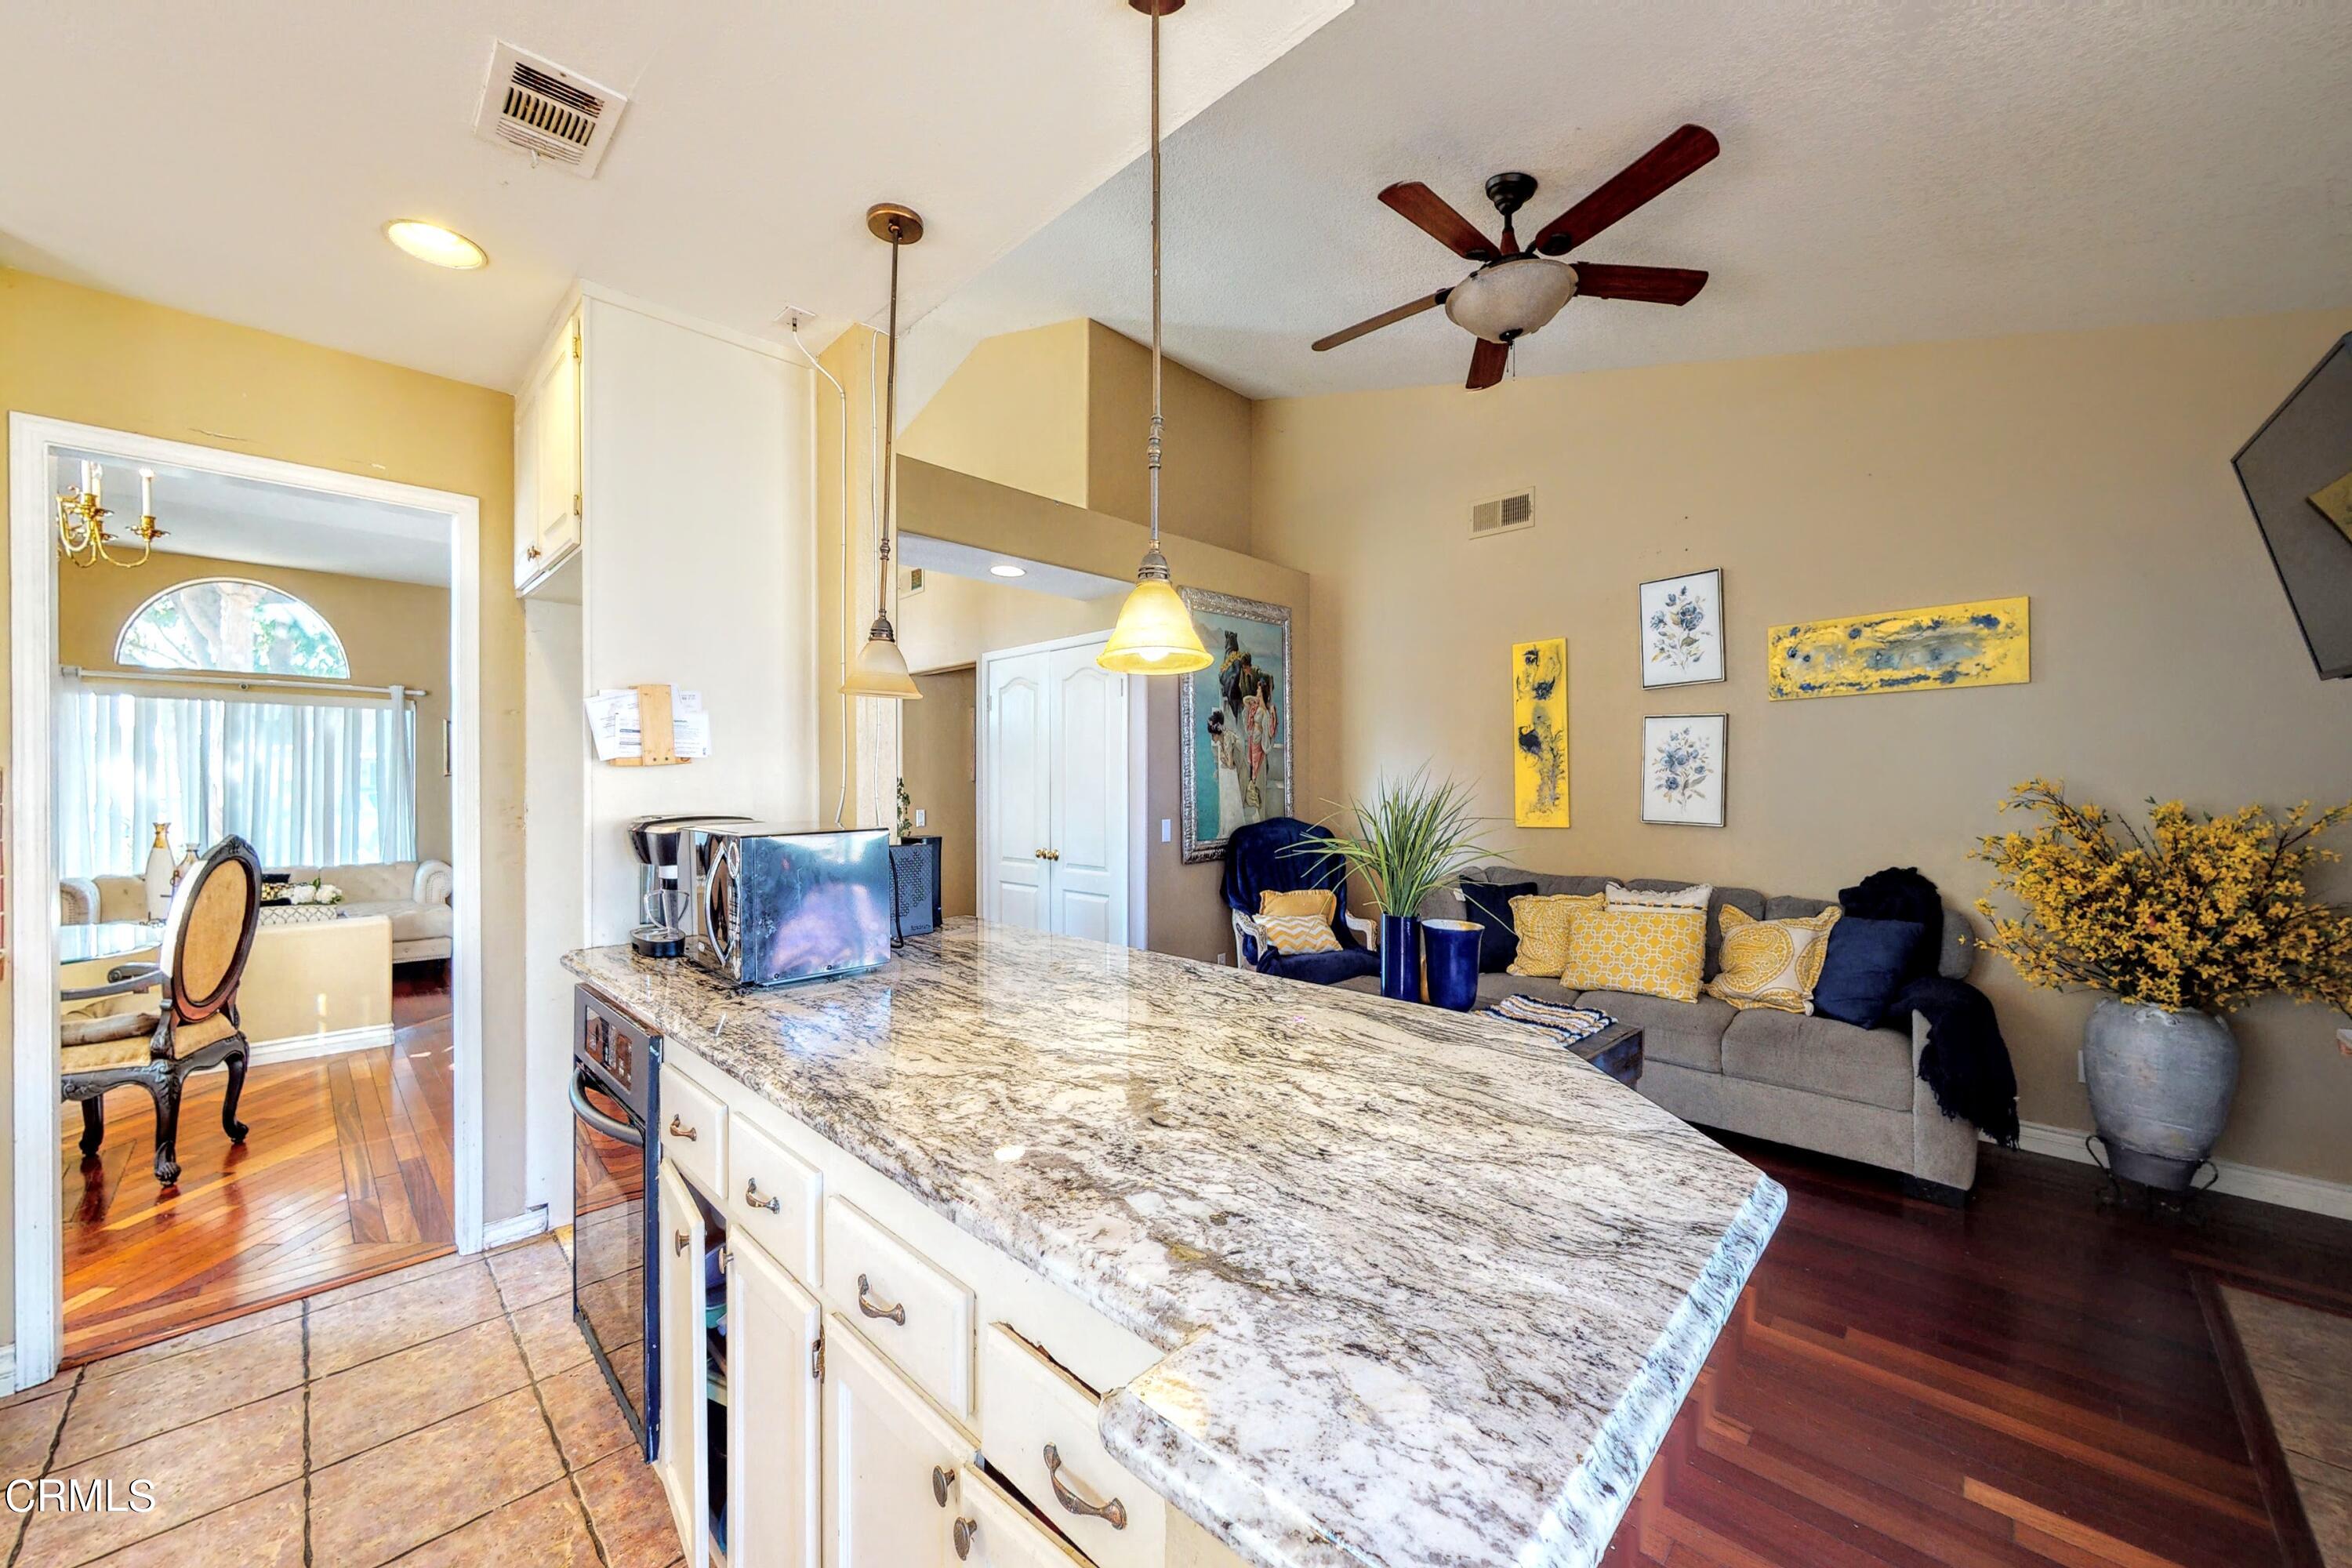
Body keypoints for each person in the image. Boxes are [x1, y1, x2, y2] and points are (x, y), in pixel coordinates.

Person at [1242, 671, 1279, 816]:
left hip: (1259, 741)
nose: (1256, 692)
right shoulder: (1256, 707)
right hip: (1253, 741)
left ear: (1262, 692)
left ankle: (1258, 801)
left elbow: (1268, 731)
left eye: (1258, 690)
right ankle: (1253, 797)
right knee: (1252, 768)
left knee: (1258, 769)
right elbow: (1245, 700)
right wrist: (1255, 698)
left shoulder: (1265, 712)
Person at [1207, 710, 1247, 834]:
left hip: (1242, 772)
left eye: (1213, 735)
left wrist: (1224, 759)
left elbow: (1230, 764)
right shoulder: (1223, 738)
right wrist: (1224, 758)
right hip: (1239, 768)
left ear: (1217, 733)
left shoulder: (1228, 738)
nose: (1212, 738)